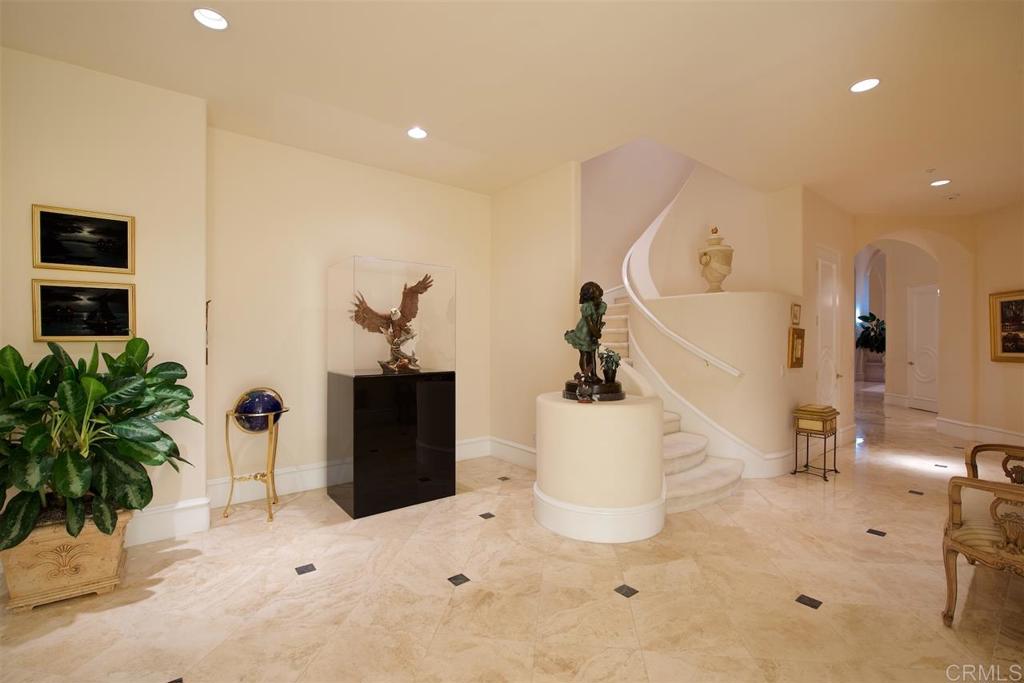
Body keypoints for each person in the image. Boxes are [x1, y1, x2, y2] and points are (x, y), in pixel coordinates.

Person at [564, 281, 606, 388]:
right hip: (583, 333)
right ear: (590, 296)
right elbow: (590, 323)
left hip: (592, 333)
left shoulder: (601, 305)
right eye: (594, 293)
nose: (598, 297)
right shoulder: (587, 306)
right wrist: (596, 333)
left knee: (592, 354)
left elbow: (597, 322)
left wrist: (597, 332)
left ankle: (594, 375)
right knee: (584, 354)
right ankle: (584, 375)